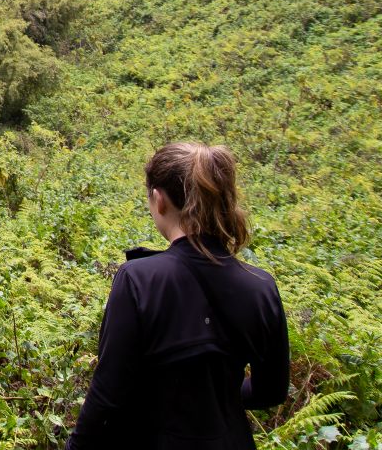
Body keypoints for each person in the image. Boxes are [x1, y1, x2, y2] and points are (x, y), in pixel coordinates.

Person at [65, 142, 289, 450]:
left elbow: (107, 397)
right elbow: (271, 391)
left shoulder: (138, 280)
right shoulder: (261, 286)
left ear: (159, 200)